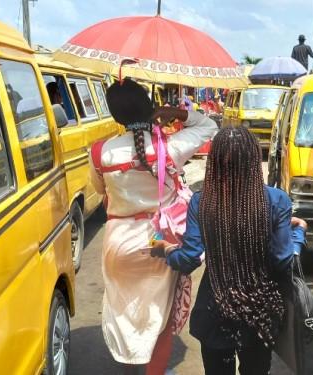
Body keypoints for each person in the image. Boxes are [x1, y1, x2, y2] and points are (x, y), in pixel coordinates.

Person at [89, 79, 217, 375]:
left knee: (122, 312)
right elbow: (209, 126)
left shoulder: (99, 153)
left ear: (114, 114)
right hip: (156, 238)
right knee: (159, 312)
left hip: (118, 239)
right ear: (149, 107)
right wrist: (177, 112)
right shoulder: (169, 148)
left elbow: (100, 191)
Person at [161, 126, 308, 375]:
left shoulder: (202, 200)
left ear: (214, 161)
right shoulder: (275, 200)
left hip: (215, 308)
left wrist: (166, 251)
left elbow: (188, 259)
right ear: (253, 160)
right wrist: (298, 232)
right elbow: (283, 261)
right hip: (260, 311)